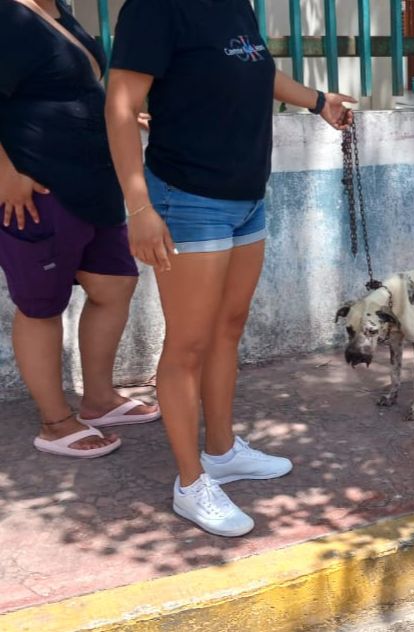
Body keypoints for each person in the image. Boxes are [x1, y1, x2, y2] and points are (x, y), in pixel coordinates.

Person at [106, 0, 355, 537]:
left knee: (228, 328)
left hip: (247, 196)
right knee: (188, 345)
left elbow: (256, 70)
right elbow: (121, 106)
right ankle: (191, 484)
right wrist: (139, 207)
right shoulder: (154, 10)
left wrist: (318, 102)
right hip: (187, 198)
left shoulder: (234, 5)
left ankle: (221, 452)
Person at [0, 0, 160, 459]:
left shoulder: (58, 11)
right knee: (40, 306)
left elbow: (68, 88)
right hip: (37, 189)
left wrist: (113, 116)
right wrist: (5, 173)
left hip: (92, 183)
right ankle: (54, 423)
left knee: (116, 284)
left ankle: (99, 399)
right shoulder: (8, 17)